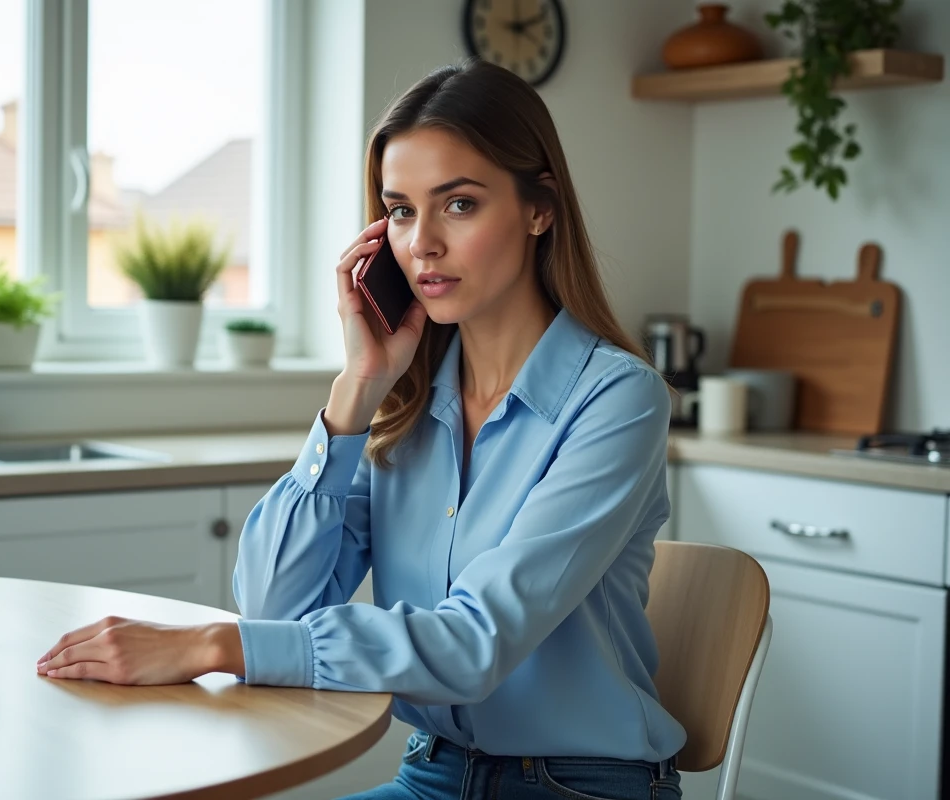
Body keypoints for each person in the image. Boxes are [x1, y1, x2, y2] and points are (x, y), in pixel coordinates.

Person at [36, 57, 685, 800]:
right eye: (402, 210)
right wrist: (357, 389)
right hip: (432, 775)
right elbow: (276, 606)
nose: (422, 245)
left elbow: (475, 644)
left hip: (580, 787)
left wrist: (211, 646)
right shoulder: (402, 410)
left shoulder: (617, 401)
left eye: (460, 204)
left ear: (540, 209)